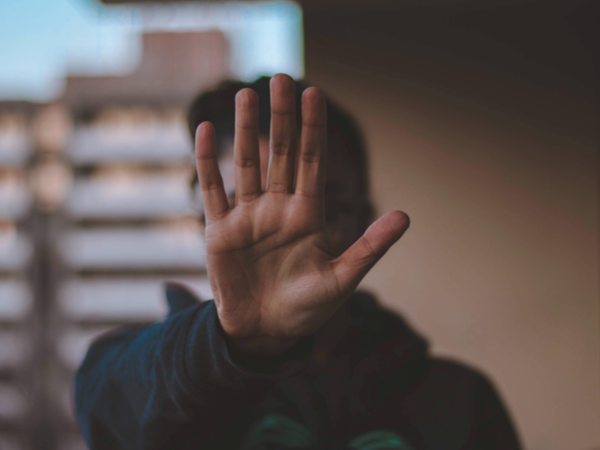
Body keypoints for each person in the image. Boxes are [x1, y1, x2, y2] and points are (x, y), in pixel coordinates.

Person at [75, 74, 522, 450]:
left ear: (363, 219)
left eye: (320, 205)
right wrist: (237, 345)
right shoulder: (148, 380)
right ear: (202, 224)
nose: (280, 235)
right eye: (245, 206)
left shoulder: (457, 402)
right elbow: (108, 410)